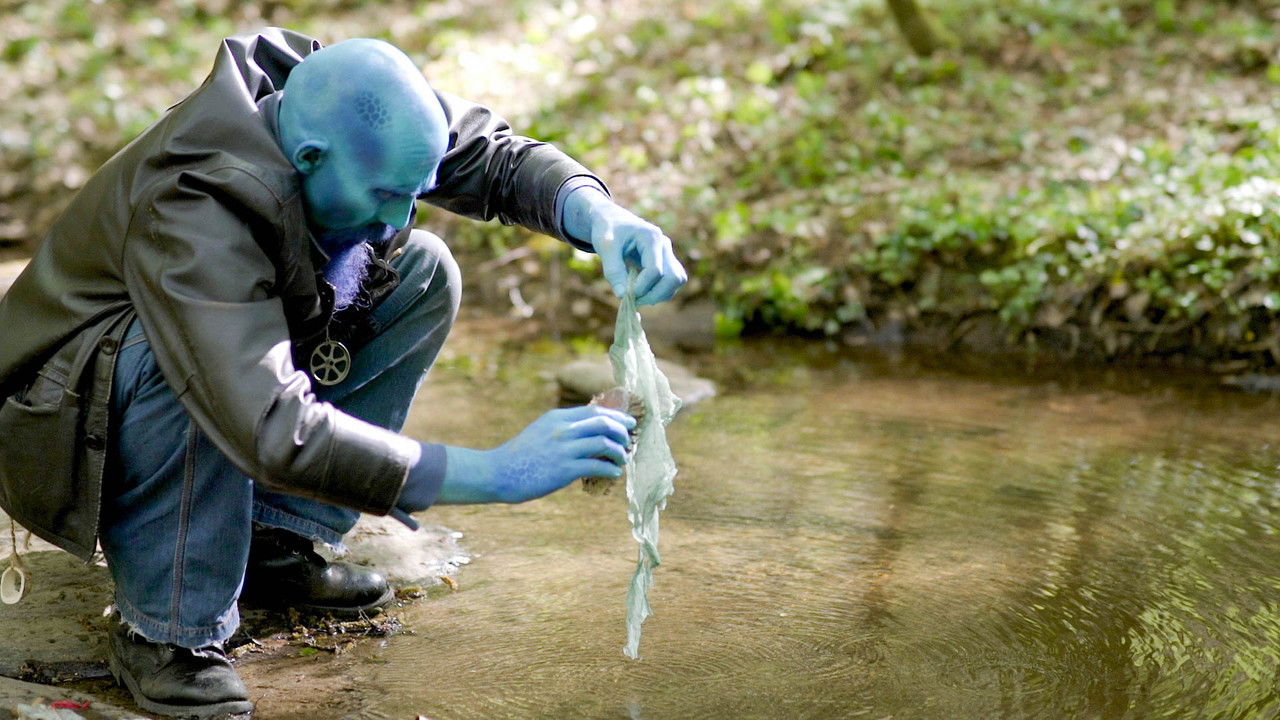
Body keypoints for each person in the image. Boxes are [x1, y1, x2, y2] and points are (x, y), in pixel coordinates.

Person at [0, 27, 685, 718]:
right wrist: (493, 473)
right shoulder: (195, 206)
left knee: (421, 272)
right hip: (55, 413)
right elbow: (266, 423)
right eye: (387, 194)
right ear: (307, 157)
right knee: (186, 368)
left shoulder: (334, 95)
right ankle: (166, 634)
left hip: (201, 358)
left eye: (412, 193)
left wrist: (596, 213)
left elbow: (490, 158)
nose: (400, 216)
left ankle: (272, 542)